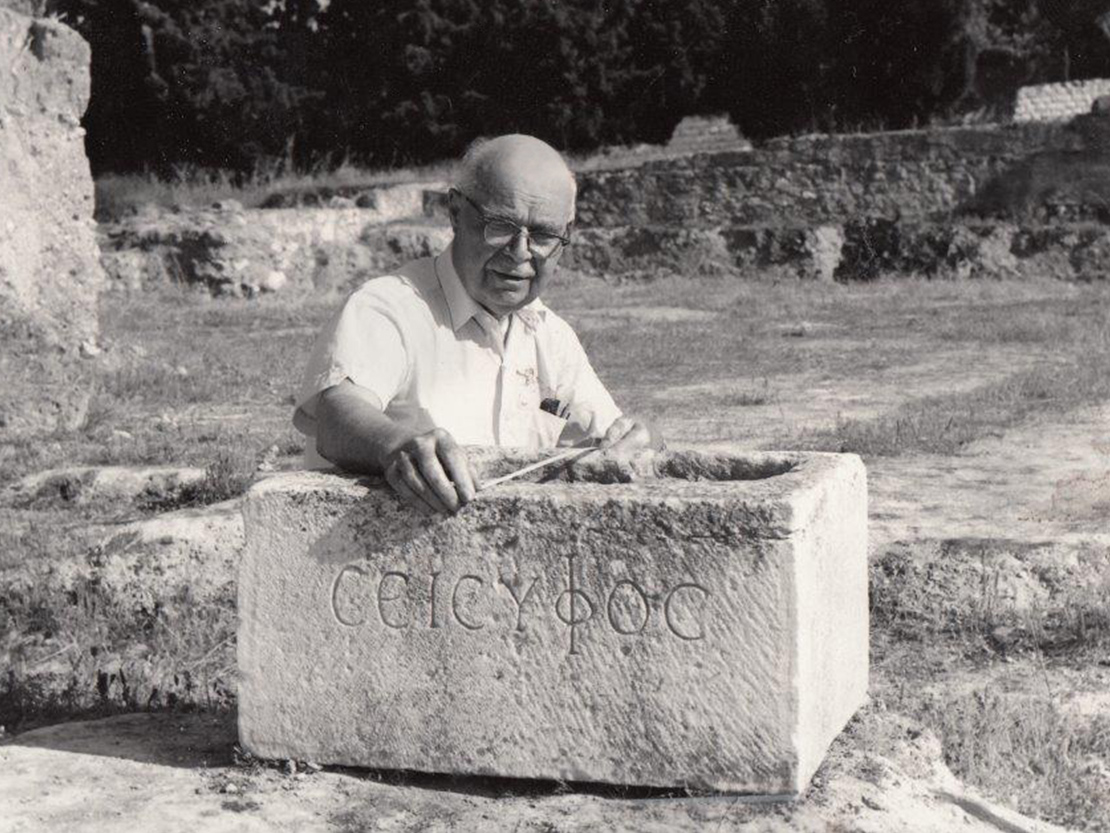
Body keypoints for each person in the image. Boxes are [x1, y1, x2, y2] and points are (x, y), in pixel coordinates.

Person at [293, 134, 661, 516]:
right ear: (455, 212)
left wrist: (643, 436)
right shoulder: (388, 308)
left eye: (543, 236)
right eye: (500, 226)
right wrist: (396, 446)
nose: (520, 253)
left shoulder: (551, 336)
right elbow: (335, 418)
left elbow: (612, 435)